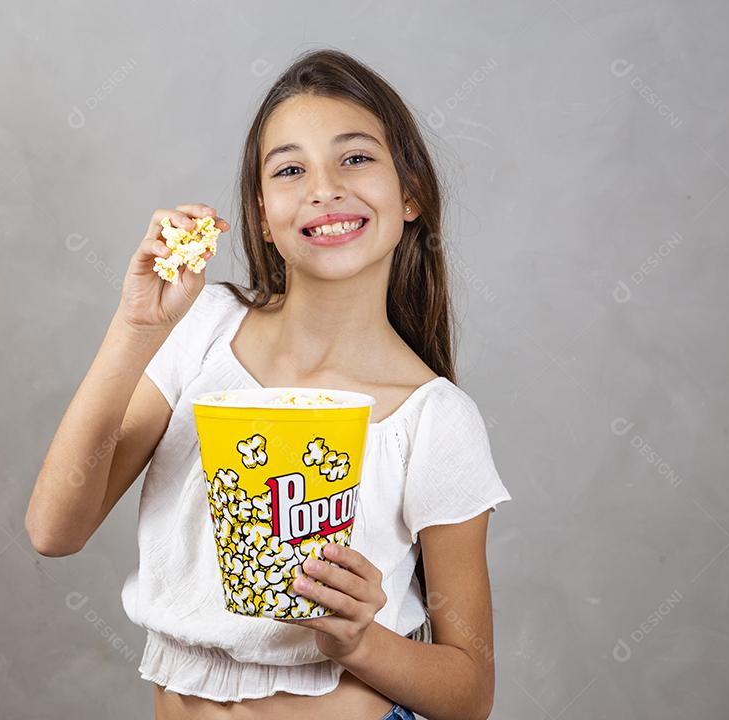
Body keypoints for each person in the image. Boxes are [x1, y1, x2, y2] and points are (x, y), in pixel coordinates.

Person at [26, 48, 512, 720]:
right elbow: (55, 529)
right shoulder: (202, 330)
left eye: (355, 158)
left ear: (411, 194)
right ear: (261, 215)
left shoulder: (433, 418)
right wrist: (137, 327)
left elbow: (469, 692)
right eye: (290, 169)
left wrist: (359, 641)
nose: (323, 188)